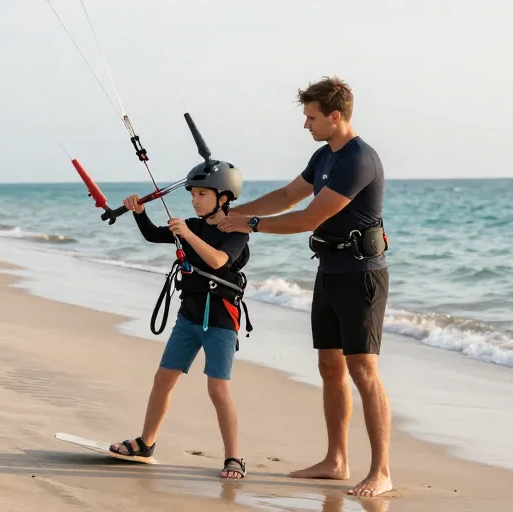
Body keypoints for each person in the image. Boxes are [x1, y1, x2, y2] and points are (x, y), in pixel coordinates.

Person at [216, 76, 392, 497]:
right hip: (329, 271)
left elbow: (308, 218)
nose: (306, 125)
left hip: (362, 275)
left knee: (363, 372)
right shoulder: (323, 156)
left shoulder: (358, 160)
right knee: (330, 367)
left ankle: (382, 471)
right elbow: (287, 197)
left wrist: (250, 225)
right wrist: (234, 213)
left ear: (336, 116)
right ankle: (336, 460)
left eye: (311, 117)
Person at [109, 160, 251, 480]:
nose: (195, 200)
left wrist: (186, 233)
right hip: (188, 318)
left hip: (220, 322)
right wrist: (139, 212)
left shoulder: (236, 228)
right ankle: (146, 443)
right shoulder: (193, 225)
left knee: (218, 389)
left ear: (224, 198)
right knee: (163, 380)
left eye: (202, 194)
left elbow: (218, 261)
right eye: (193, 194)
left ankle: (234, 459)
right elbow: (152, 236)